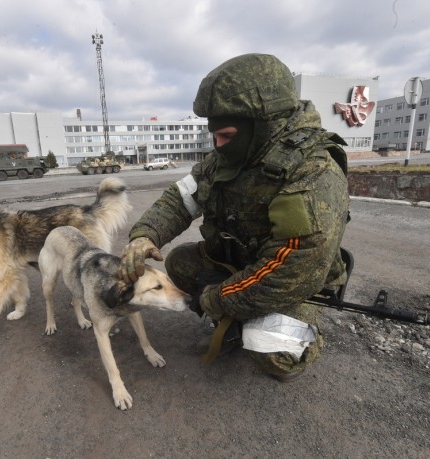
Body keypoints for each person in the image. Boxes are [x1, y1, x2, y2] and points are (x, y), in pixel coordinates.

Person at [118, 53, 350, 382]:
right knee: (179, 264)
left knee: (278, 354)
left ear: (262, 126)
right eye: (215, 135)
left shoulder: (312, 169)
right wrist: (145, 235)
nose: (217, 145)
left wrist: (220, 298)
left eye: (226, 135)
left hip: (290, 281)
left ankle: (285, 326)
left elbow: (294, 265)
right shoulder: (229, 158)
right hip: (241, 264)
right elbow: (180, 200)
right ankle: (241, 314)